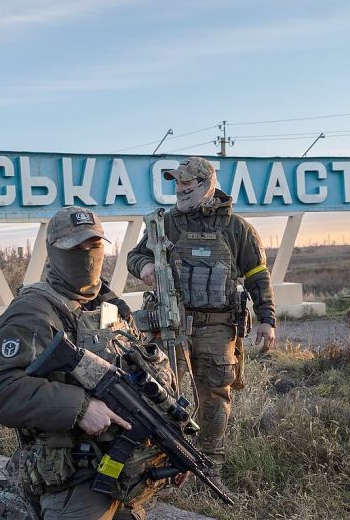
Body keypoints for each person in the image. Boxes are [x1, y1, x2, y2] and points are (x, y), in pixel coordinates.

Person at [0, 206, 169, 520]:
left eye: (93, 245)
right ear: (53, 251)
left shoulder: (110, 305)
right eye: (76, 247)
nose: (87, 254)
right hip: (73, 483)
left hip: (123, 476)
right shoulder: (34, 311)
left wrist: (163, 453)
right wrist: (79, 408)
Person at [127, 156, 276, 494]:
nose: (179, 190)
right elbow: (134, 256)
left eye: (186, 184)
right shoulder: (164, 224)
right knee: (164, 395)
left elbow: (257, 276)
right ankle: (163, 468)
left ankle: (209, 469)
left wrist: (267, 319)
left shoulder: (237, 228)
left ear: (208, 184)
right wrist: (145, 267)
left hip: (217, 327)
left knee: (214, 398)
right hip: (171, 325)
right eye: (176, 184)